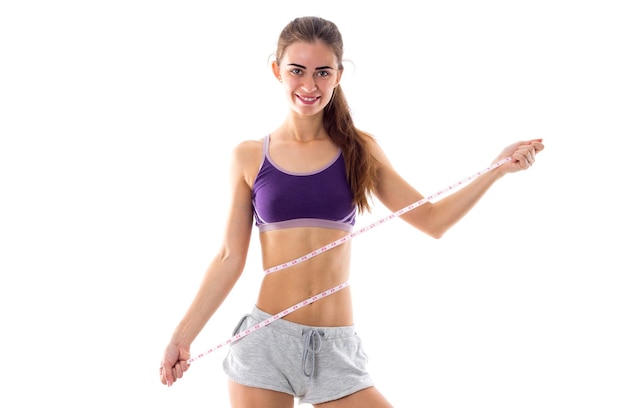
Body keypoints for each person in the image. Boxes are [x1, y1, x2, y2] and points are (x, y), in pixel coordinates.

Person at [159, 16, 544, 407]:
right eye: (297, 71)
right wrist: (182, 336)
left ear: (338, 75)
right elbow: (229, 258)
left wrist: (495, 171)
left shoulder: (359, 150)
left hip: (337, 349)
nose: (309, 85)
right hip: (266, 343)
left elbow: (432, 221)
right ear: (277, 71)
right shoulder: (249, 157)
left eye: (322, 72)